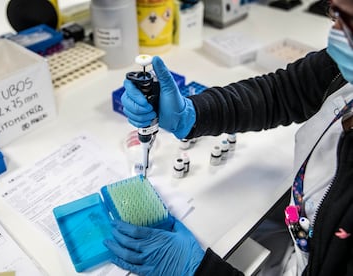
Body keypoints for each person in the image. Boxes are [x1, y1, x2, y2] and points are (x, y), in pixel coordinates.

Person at [103, 0, 353, 275]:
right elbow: (285, 91)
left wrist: (198, 270)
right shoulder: (347, 64)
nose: (336, 30)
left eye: (348, 19)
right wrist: (193, 113)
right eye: (333, 13)